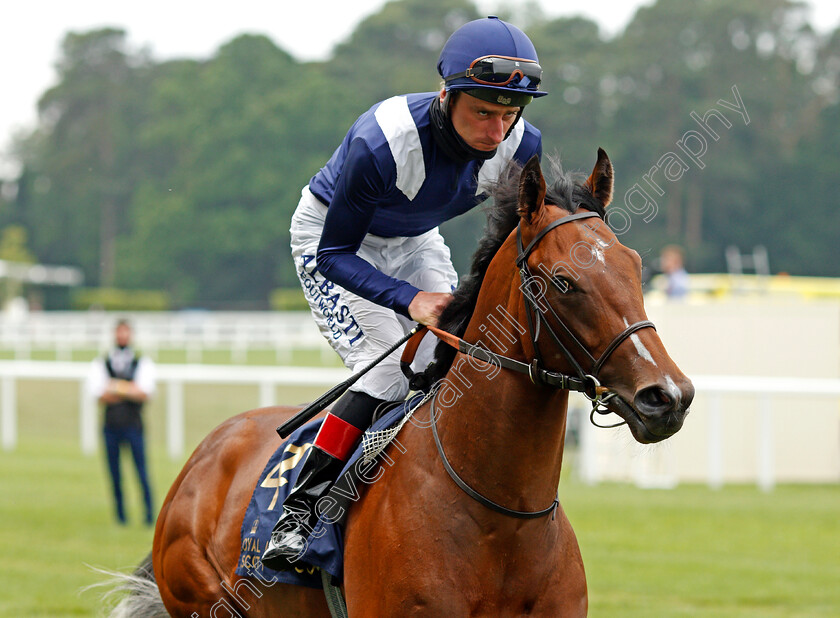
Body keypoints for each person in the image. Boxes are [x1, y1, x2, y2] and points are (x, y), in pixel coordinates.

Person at [262, 16, 547, 568]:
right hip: (333, 240)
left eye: (509, 115)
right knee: (386, 370)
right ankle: (303, 508)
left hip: (414, 240)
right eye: (483, 112)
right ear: (447, 95)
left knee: (454, 355)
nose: (496, 132)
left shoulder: (522, 147)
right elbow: (334, 254)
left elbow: (515, 239)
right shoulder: (382, 140)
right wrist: (407, 300)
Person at [86, 319, 157, 525]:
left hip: (134, 426)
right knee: (114, 474)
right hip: (110, 427)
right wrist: (129, 389)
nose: (122, 337)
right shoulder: (102, 362)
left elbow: (144, 393)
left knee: (141, 471)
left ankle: (149, 515)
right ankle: (120, 517)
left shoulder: (141, 362)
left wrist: (115, 387)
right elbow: (99, 394)